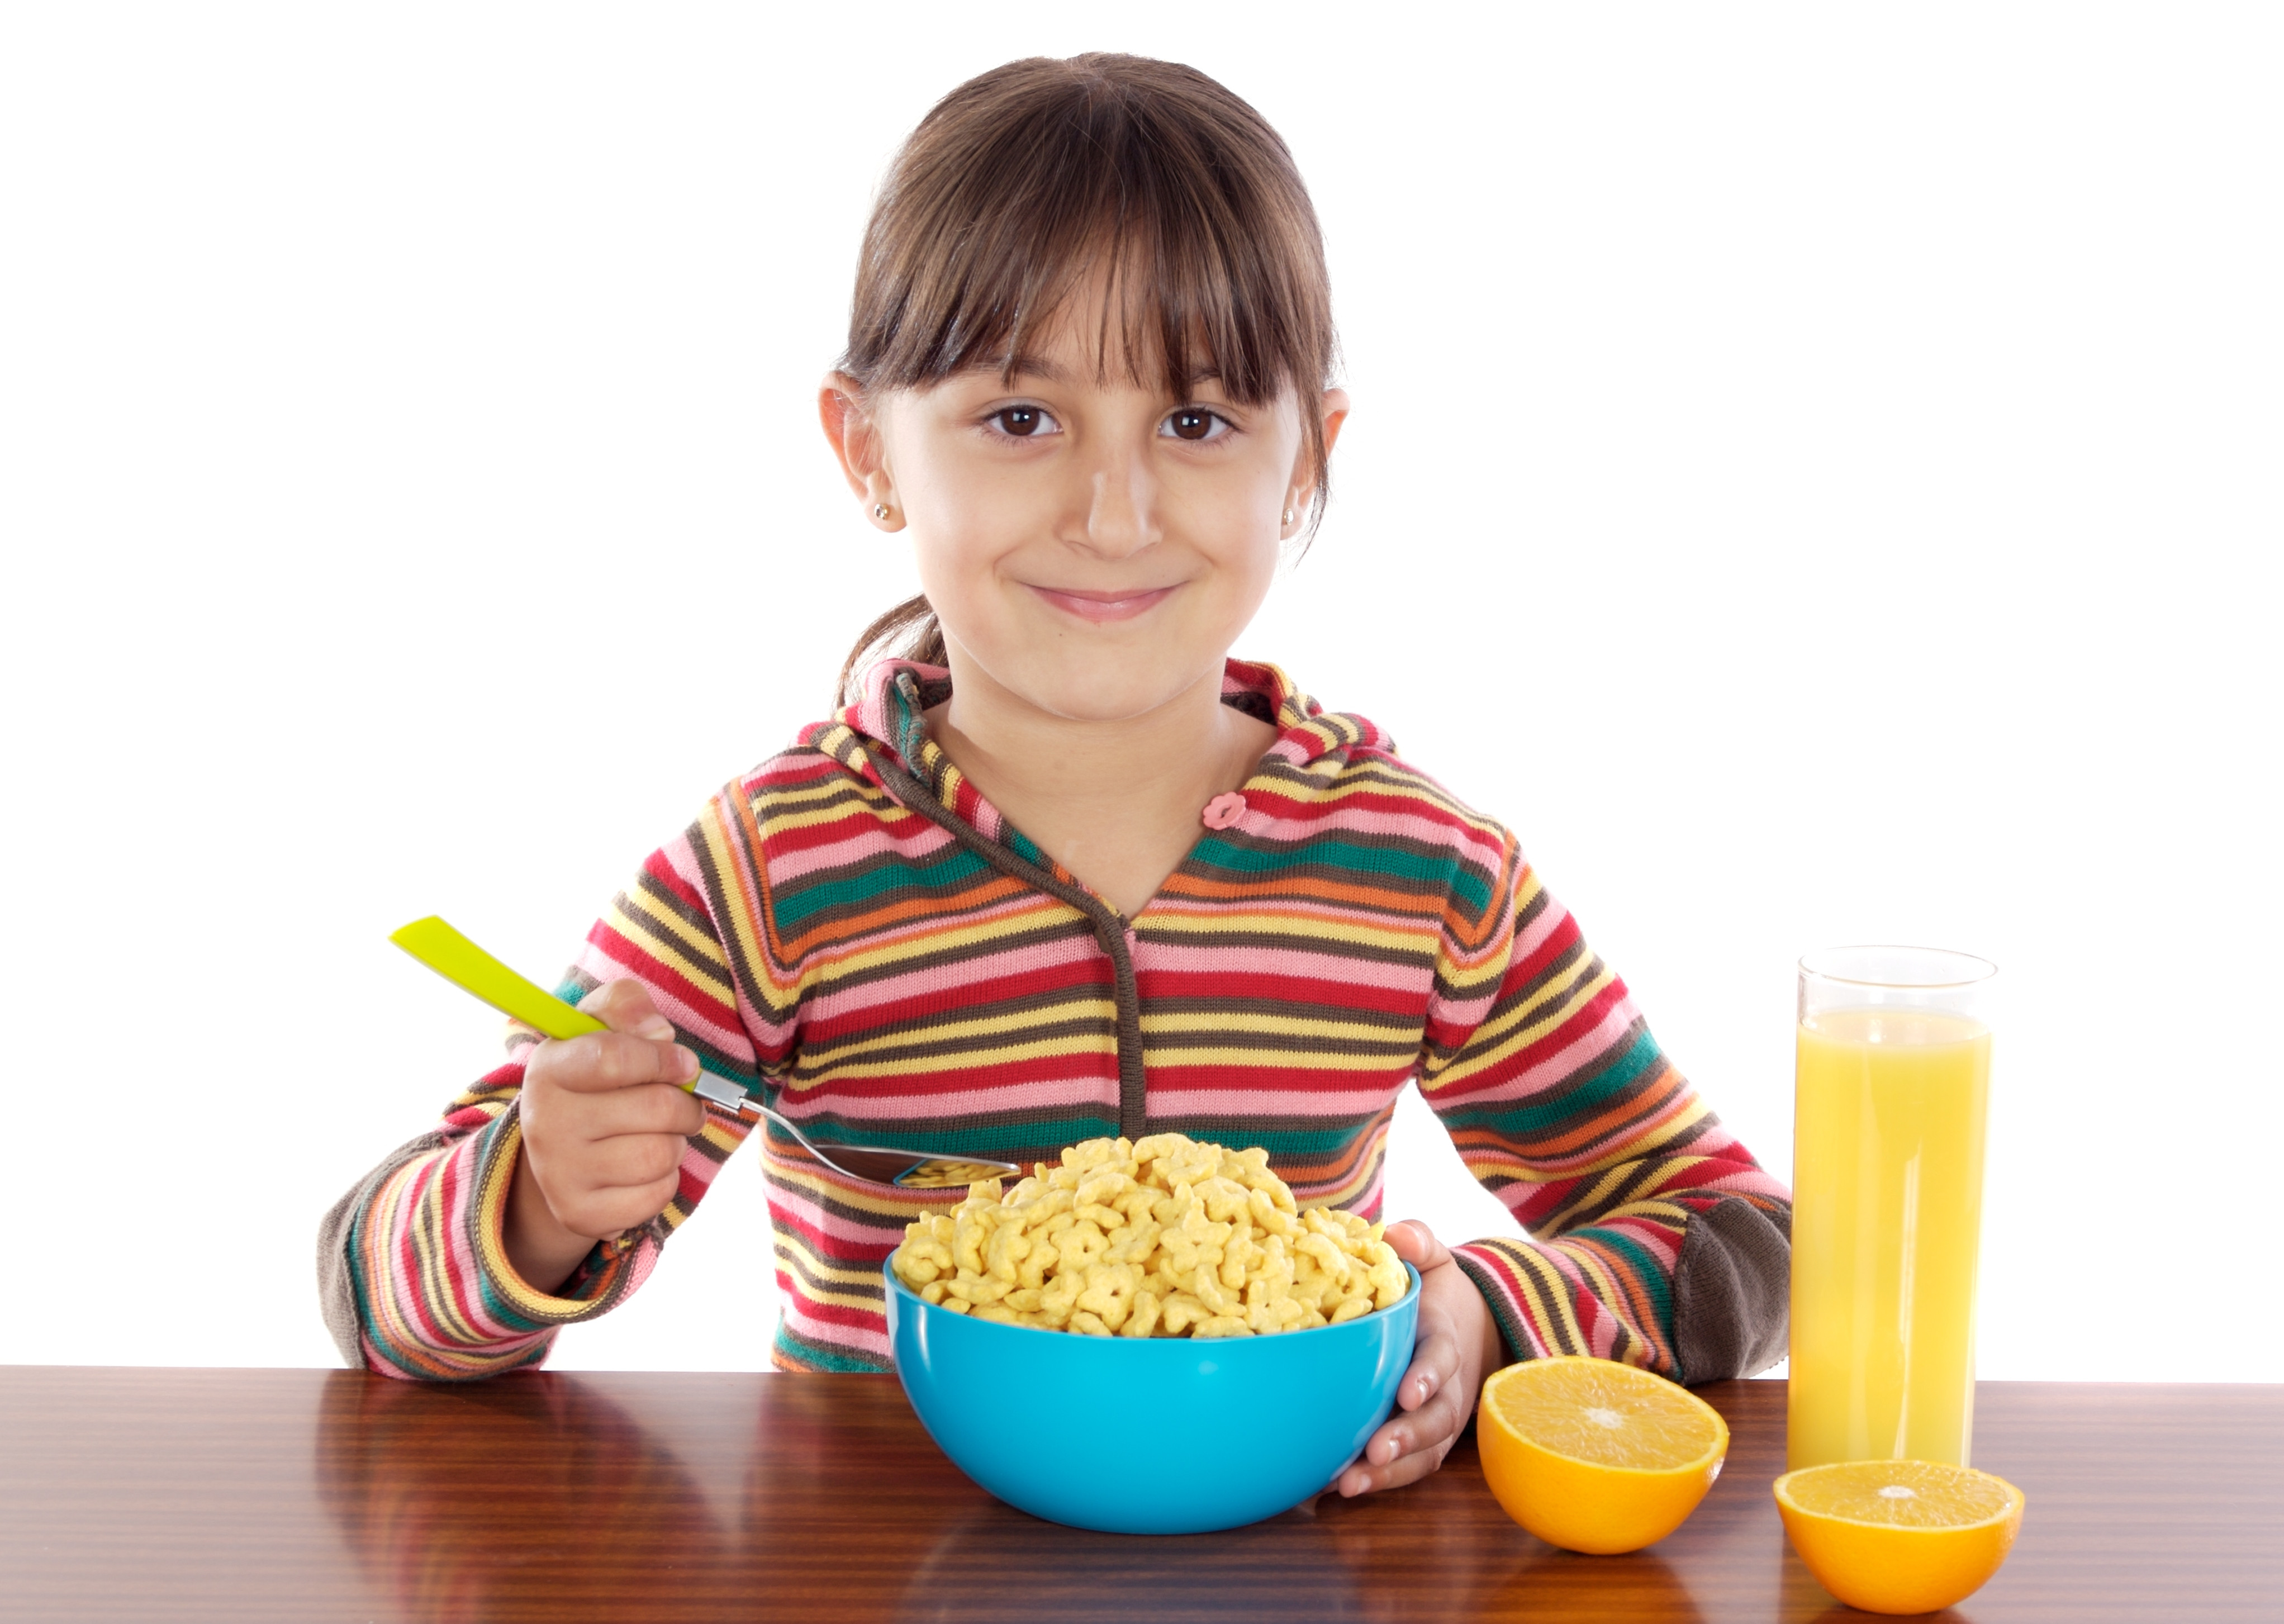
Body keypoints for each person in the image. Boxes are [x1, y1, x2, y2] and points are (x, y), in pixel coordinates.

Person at [319, 52, 1792, 1502]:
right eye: (1020, 419)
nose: (1111, 511)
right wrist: (537, 1194)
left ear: (1305, 461)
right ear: (869, 451)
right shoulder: (772, 869)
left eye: (1198, 420)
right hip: (882, 1570)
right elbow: (370, 1293)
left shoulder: (1416, 866)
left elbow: (1744, 1238)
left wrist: (1483, 1315)